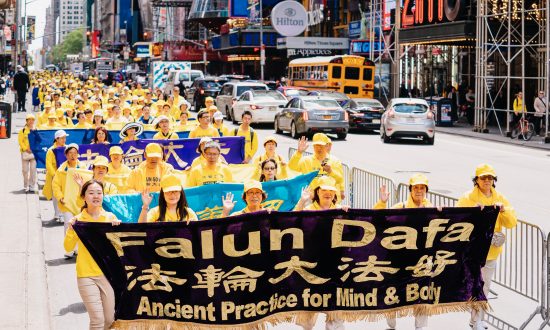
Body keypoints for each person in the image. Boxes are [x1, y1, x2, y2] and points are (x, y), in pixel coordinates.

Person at [457, 164, 517, 330]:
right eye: (483, 178)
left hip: (491, 253)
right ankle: (476, 317)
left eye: (490, 178)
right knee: (474, 285)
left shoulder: (500, 198)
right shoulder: (467, 197)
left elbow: (511, 223)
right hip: (472, 252)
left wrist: (504, 211)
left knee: (485, 286)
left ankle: (478, 319)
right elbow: (457, 221)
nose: (487, 181)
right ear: (476, 180)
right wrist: (473, 212)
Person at [374, 174, 432, 330]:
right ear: (410, 190)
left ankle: (420, 327)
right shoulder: (400, 208)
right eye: (415, 188)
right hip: (398, 259)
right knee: (393, 293)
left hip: (421, 260)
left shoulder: (431, 209)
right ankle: (391, 325)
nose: (419, 191)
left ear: (426, 190)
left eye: (422, 188)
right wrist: (382, 202)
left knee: (422, 294)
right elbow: (379, 220)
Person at [64, 180, 120, 330]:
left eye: (99, 193)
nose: (96, 196)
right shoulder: (78, 220)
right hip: (86, 275)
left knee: (109, 320)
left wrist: (117, 232)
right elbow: (68, 247)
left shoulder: (110, 218)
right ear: (83, 197)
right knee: (97, 320)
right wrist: (71, 230)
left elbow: (120, 249)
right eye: (91, 192)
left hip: (107, 275)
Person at [52, 144, 82, 240]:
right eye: (70, 153)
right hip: (66, 202)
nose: (72, 155)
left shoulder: (83, 168)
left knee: (79, 225)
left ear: (78, 154)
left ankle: (77, 249)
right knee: (68, 223)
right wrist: (60, 197)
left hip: (79, 202)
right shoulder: (61, 170)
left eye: (74, 153)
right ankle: (68, 249)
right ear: (66, 155)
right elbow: (55, 185)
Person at [43, 130, 68, 222]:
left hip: (65, 175)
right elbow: (49, 165)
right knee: (55, 195)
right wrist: (55, 175)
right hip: (54, 176)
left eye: (65, 138)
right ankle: (57, 213)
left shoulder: (67, 148)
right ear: (56, 139)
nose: (64, 140)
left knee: (64, 194)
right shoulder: (51, 150)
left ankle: (63, 213)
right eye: (62, 138)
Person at [19, 114, 37, 193]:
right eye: (29, 120)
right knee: (25, 170)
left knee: (33, 170)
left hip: (34, 153)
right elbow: (20, 141)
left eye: (32, 120)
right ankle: (25, 184)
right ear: (26, 121)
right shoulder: (22, 130)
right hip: (25, 153)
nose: (31, 121)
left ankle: (32, 185)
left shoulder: (36, 130)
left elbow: (39, 140)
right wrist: (26, 149)